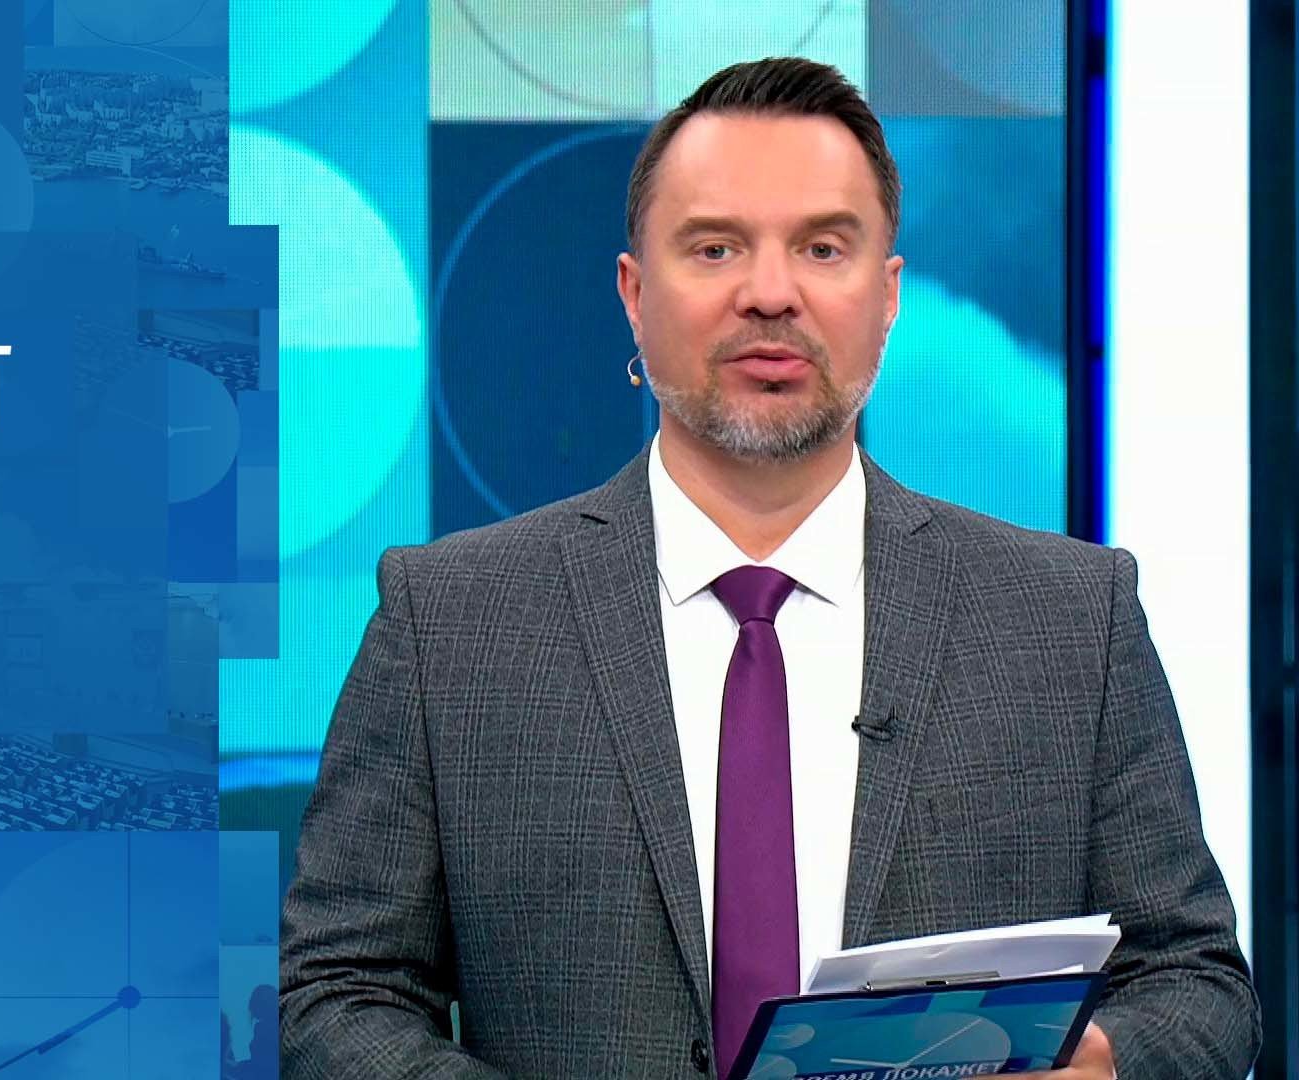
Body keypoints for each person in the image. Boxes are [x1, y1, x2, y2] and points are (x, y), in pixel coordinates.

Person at [279, 58, 1259, 1080]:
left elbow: (1194, 983)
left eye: (823, 249)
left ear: (888, 295)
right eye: (715, 249)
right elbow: (337, 996)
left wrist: (1105, 1064)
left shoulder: (1070, 619)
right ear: (634, 294)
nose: (770, 295)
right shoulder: (449, 622)